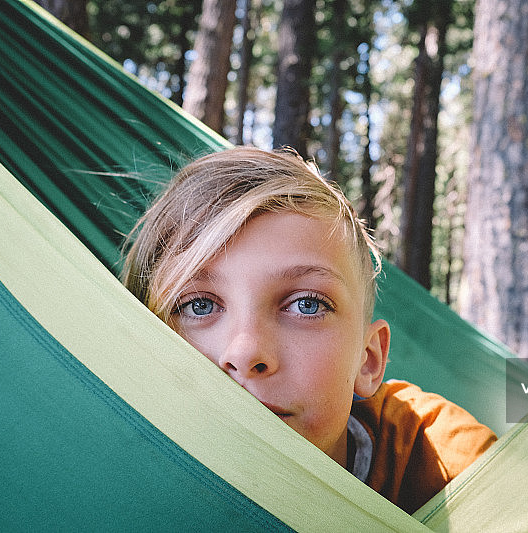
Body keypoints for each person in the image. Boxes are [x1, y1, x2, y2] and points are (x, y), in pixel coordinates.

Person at [121, 146, 496, 514]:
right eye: (198, 305)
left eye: (307, 305)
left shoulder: (446, 464)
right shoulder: (99, 468)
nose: (245, 351)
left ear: (367, 362)